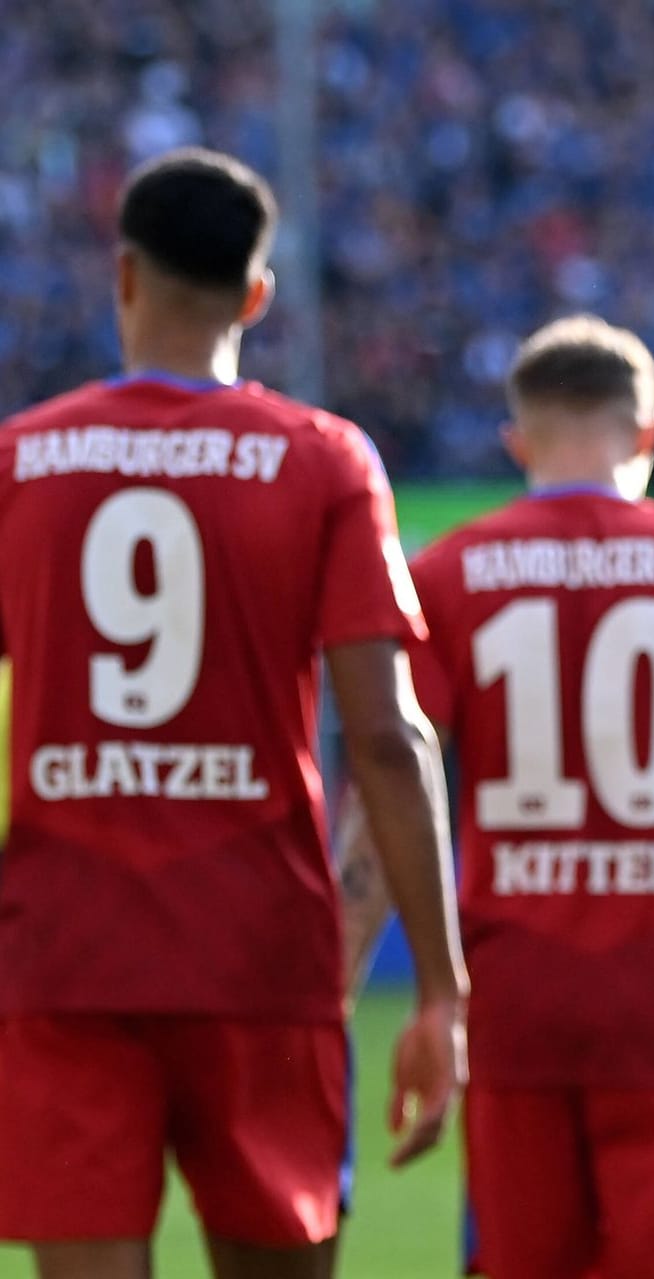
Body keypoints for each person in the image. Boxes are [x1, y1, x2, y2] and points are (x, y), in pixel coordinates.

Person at [0, 148, 468, 1279]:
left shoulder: (18, 462)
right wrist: (444, 990)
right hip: (259, 953)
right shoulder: (323, 463)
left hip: (64, 951)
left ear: (122, 278)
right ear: (257, 296)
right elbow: (390, 741)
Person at [342, 315, 654, 1279]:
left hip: (518, 996)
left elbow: (393, 775)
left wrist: (338, 988)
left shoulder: (447, 576)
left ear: (517, 441)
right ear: (649, 433)